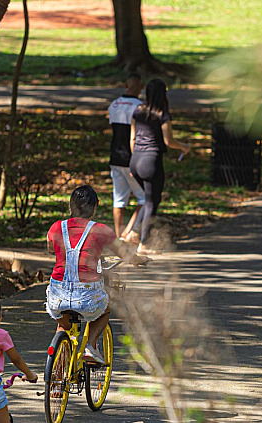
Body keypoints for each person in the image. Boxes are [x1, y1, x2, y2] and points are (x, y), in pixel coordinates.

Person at [46, 185, 147, 364]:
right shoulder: (100, 230)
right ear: (93, 208)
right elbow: (124, 253)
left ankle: (57, 372)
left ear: (71, 206)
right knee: (104, 308)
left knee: (63, 323)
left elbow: (50, 248)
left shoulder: (56, 227)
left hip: (57, 295)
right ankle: (90, 346)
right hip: (86, 294)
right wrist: (139, 260)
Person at [129, 78, 191, 254]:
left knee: (148, 199)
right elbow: (168, 140)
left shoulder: (137, 111)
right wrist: (184, 147)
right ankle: (144, 244)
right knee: (152, 202)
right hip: (151, 161)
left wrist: (134, 161)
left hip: (135, 160)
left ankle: (134, 233)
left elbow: (132, 139)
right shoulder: (162, 113)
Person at [108, 74, 146, 239]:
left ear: (126, 85)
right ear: (141, 87)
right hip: (131, 159)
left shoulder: (114, 104)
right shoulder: (140, 107)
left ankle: (118, 236)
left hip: (115, 156)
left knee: (119, 199)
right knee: (145, 198)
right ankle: (130, 231)